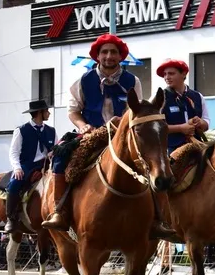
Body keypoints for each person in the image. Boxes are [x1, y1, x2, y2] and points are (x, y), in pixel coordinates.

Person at [42, 34, 175, 239]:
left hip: (122, 135)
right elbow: (73, 111)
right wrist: (83, 125)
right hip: (90, 133)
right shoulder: (83, 81)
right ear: (97, 56)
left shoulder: (132, 81)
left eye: (113, 52)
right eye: (104, 52)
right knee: (60, 157)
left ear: (120, 56)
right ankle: (59, 212)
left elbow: (136, 111)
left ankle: (159, 221)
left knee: (154, 162)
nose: (109, 56)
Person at [6, 99, 56, 233]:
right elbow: (13, 152)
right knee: (14, 183)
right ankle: (11, 218)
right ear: (39, 113)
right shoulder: (21, 130)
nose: (49, 113)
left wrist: (52, 154)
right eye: (46, 111)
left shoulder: (51, 131)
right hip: (26, 165)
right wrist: (17, 168)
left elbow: (54, 149)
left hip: (45, 165)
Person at [156, 59, 210, 153]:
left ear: (184, 74)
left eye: (171, 73)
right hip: (170, 150)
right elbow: (156, 127)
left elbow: (206, 123)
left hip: (197, 147)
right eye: (165, 74)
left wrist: (200, 122)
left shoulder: (197, 96)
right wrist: (181, 128)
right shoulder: (159, 98)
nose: (167, 77)